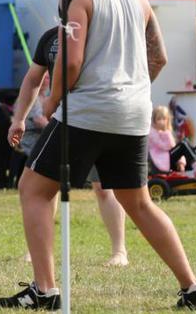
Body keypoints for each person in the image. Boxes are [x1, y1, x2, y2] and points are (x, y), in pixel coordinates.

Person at [0, 0, 196, 311]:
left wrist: (52, 100)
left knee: (33, 190)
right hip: (133, 114)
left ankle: (45, 290)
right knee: (139, 203)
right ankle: (193, 287)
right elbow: (159, 57)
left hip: (88, 110)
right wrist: (129, 90)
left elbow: (70, 61)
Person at [10, 26, 129, 269]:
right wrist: (19, 118)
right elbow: (33, 79)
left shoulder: (100, 33)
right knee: (44, 184)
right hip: (62, 119)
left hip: (96, 118)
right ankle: (37, 250)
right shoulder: (50, 37)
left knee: (104, 187)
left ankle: (120, 251)